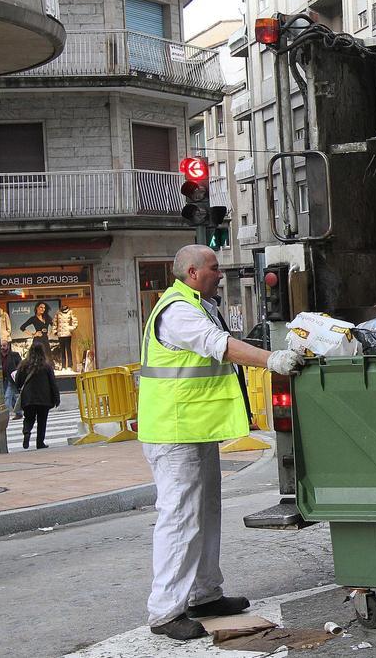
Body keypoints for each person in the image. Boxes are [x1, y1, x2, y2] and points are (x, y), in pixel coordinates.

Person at [138, 244, 304, 641]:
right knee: (180, 516)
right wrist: (272, 359)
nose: (220, 273)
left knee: (205, 511)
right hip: (174, 431)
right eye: (214, 268)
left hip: (194, 429)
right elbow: (221, 346)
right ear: (193, 273)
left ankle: (205, 594)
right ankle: (165, 611)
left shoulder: (199, 304)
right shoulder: (177, 311)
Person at [14, 342, 59, 449]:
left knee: (29, 417)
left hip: (28, 398)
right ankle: (40, 442)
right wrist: (56, 398)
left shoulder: (24, 365)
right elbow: (53, 383)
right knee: (42, 421)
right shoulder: (46, 366)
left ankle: (26, 431)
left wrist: (20, 389)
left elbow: (18, 381)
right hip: (44, 398)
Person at [53, 305, 79, 370]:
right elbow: (54, 322)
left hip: (67, 334)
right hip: (60, 334)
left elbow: (75, 321)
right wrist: (55, 331)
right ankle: (63, 366)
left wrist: (70, 328)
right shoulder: (58, 312)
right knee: (62, 351)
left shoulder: (70, 312)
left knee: (68, 350)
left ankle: (70, 366)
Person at [0, 340, 21, 420]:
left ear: (8, 346)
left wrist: (17, 373)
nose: (2, 347)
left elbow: (20, 365)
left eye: (4, 345)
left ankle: (5, 415)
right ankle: (19, 413)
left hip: (11, 379)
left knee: (7, 397)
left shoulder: (14, 355)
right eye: (1, 346)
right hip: (3, 379)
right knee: (12, 397)